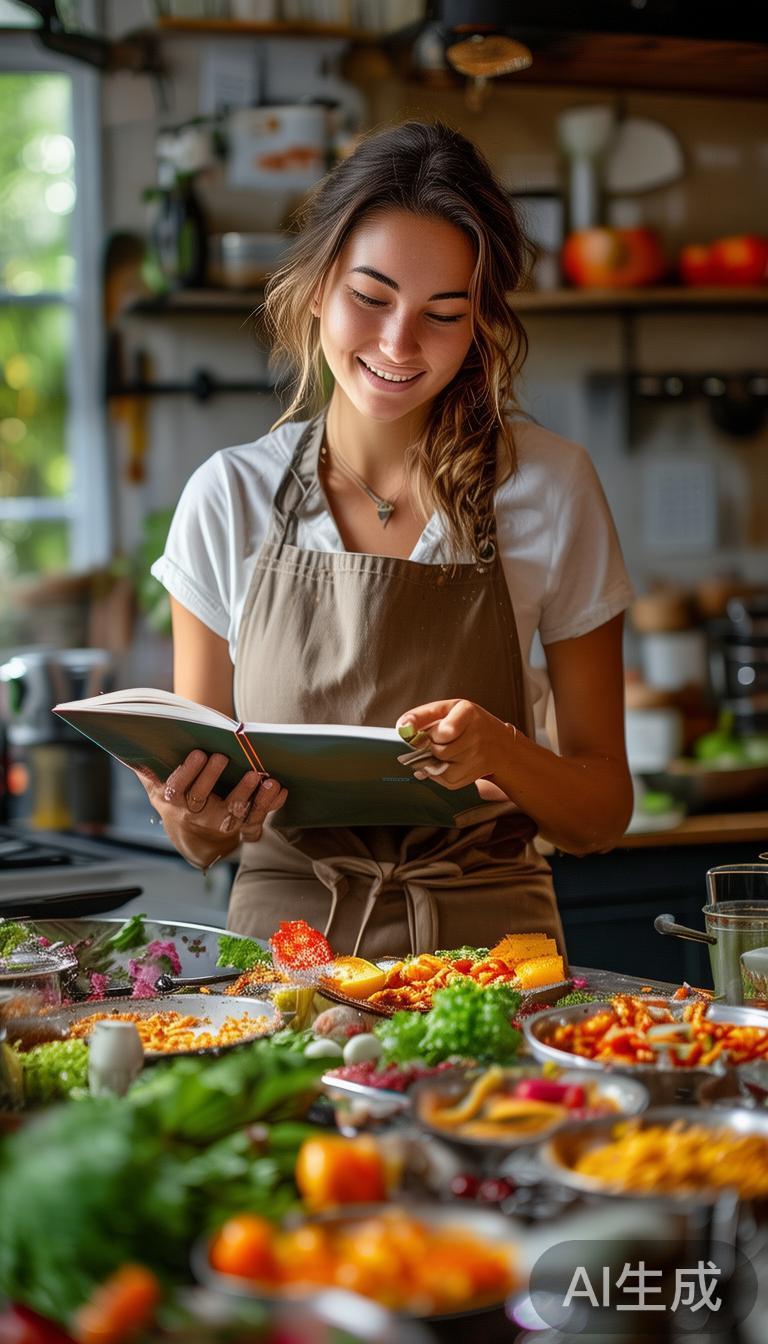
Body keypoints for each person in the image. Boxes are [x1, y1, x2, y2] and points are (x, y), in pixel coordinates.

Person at [143, 119, 634, 959]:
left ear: (481, 325)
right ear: (316, 286)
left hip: (492, 961)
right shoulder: (228, 498)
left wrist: (503, 752)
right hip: (282, 963)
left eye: (443, 315)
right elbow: (202, 843)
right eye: (371, 299)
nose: (398, 346)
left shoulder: (551, 487)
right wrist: (195, 816)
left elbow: (601, 816)